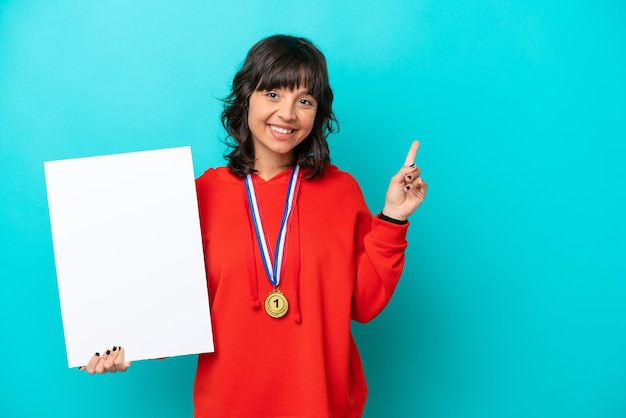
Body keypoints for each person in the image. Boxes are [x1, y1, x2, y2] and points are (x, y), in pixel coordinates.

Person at [79, 34, 428, 418]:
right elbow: (165, 316)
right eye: (273, 94)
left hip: (321, 407)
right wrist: (118, 343)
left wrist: (394, 217)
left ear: (318, 113)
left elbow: (363, 303)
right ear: (247, 97)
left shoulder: (341, 192)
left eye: (305, 101)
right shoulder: (196, 195)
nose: (288, 113)